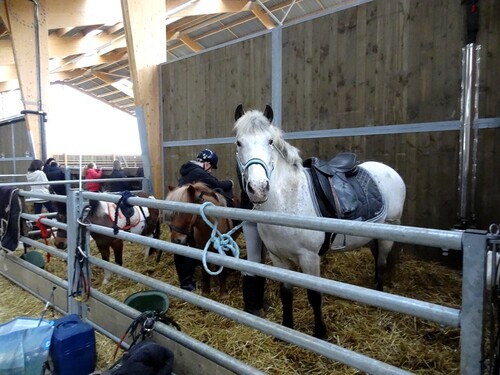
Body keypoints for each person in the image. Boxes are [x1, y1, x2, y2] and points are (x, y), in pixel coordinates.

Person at [174, 148, 234, 291]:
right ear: (206, 164)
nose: (211, 171)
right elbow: (217, 185)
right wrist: (230, 183)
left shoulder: (187, 170)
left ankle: (186, 280)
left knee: (182, 247)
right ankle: (188, 283)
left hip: (179, 214)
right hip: (187, 214)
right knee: (190, 246)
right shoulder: (199, 173)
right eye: (211, 167)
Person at [237, 167, 267, 317]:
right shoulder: (247, 165)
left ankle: (258, 301)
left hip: (263, 214)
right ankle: (251, 305)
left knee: (260, 258)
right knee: (254, 258)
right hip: (251, 213)